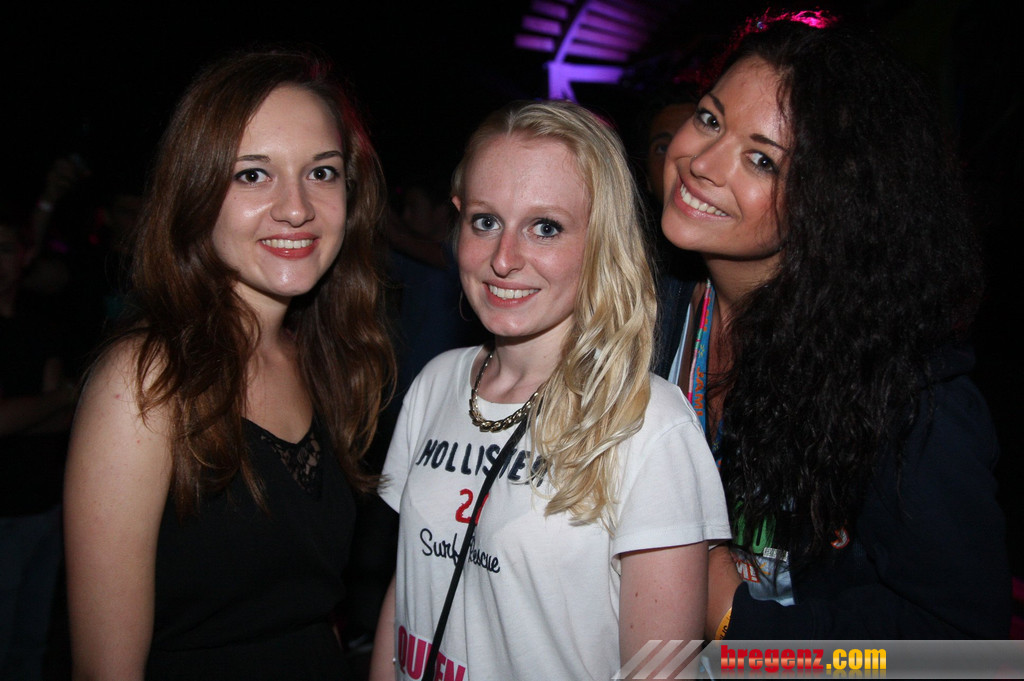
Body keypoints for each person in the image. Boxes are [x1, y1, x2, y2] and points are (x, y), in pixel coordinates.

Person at [654, 10, 1010, 639]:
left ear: (833, 202)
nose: (702, 162)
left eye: (761, 160)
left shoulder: (906, 398)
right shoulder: (637, 309)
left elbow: (960, 645)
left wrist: (735, 620)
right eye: (709, 118)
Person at [62, 48, 395, 680]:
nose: (296, 207)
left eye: (322, 172)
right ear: (196, 190)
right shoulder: (147, 380)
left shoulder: (328, 362)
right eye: (253, 174)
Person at [369, 99, 729, 681]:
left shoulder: (650, 426)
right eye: (486, 222)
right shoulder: (436, 383)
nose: (504, 259)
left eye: (545, 227)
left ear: (601, 240)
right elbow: (409, 587)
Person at [0, 208, 77, 681]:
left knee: (32, 645)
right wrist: (58, 399)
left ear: (26, 255)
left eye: (7, 249)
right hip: (3, 514)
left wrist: (41, 408)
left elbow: (65, 420)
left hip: (46, 509)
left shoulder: (40, 325)